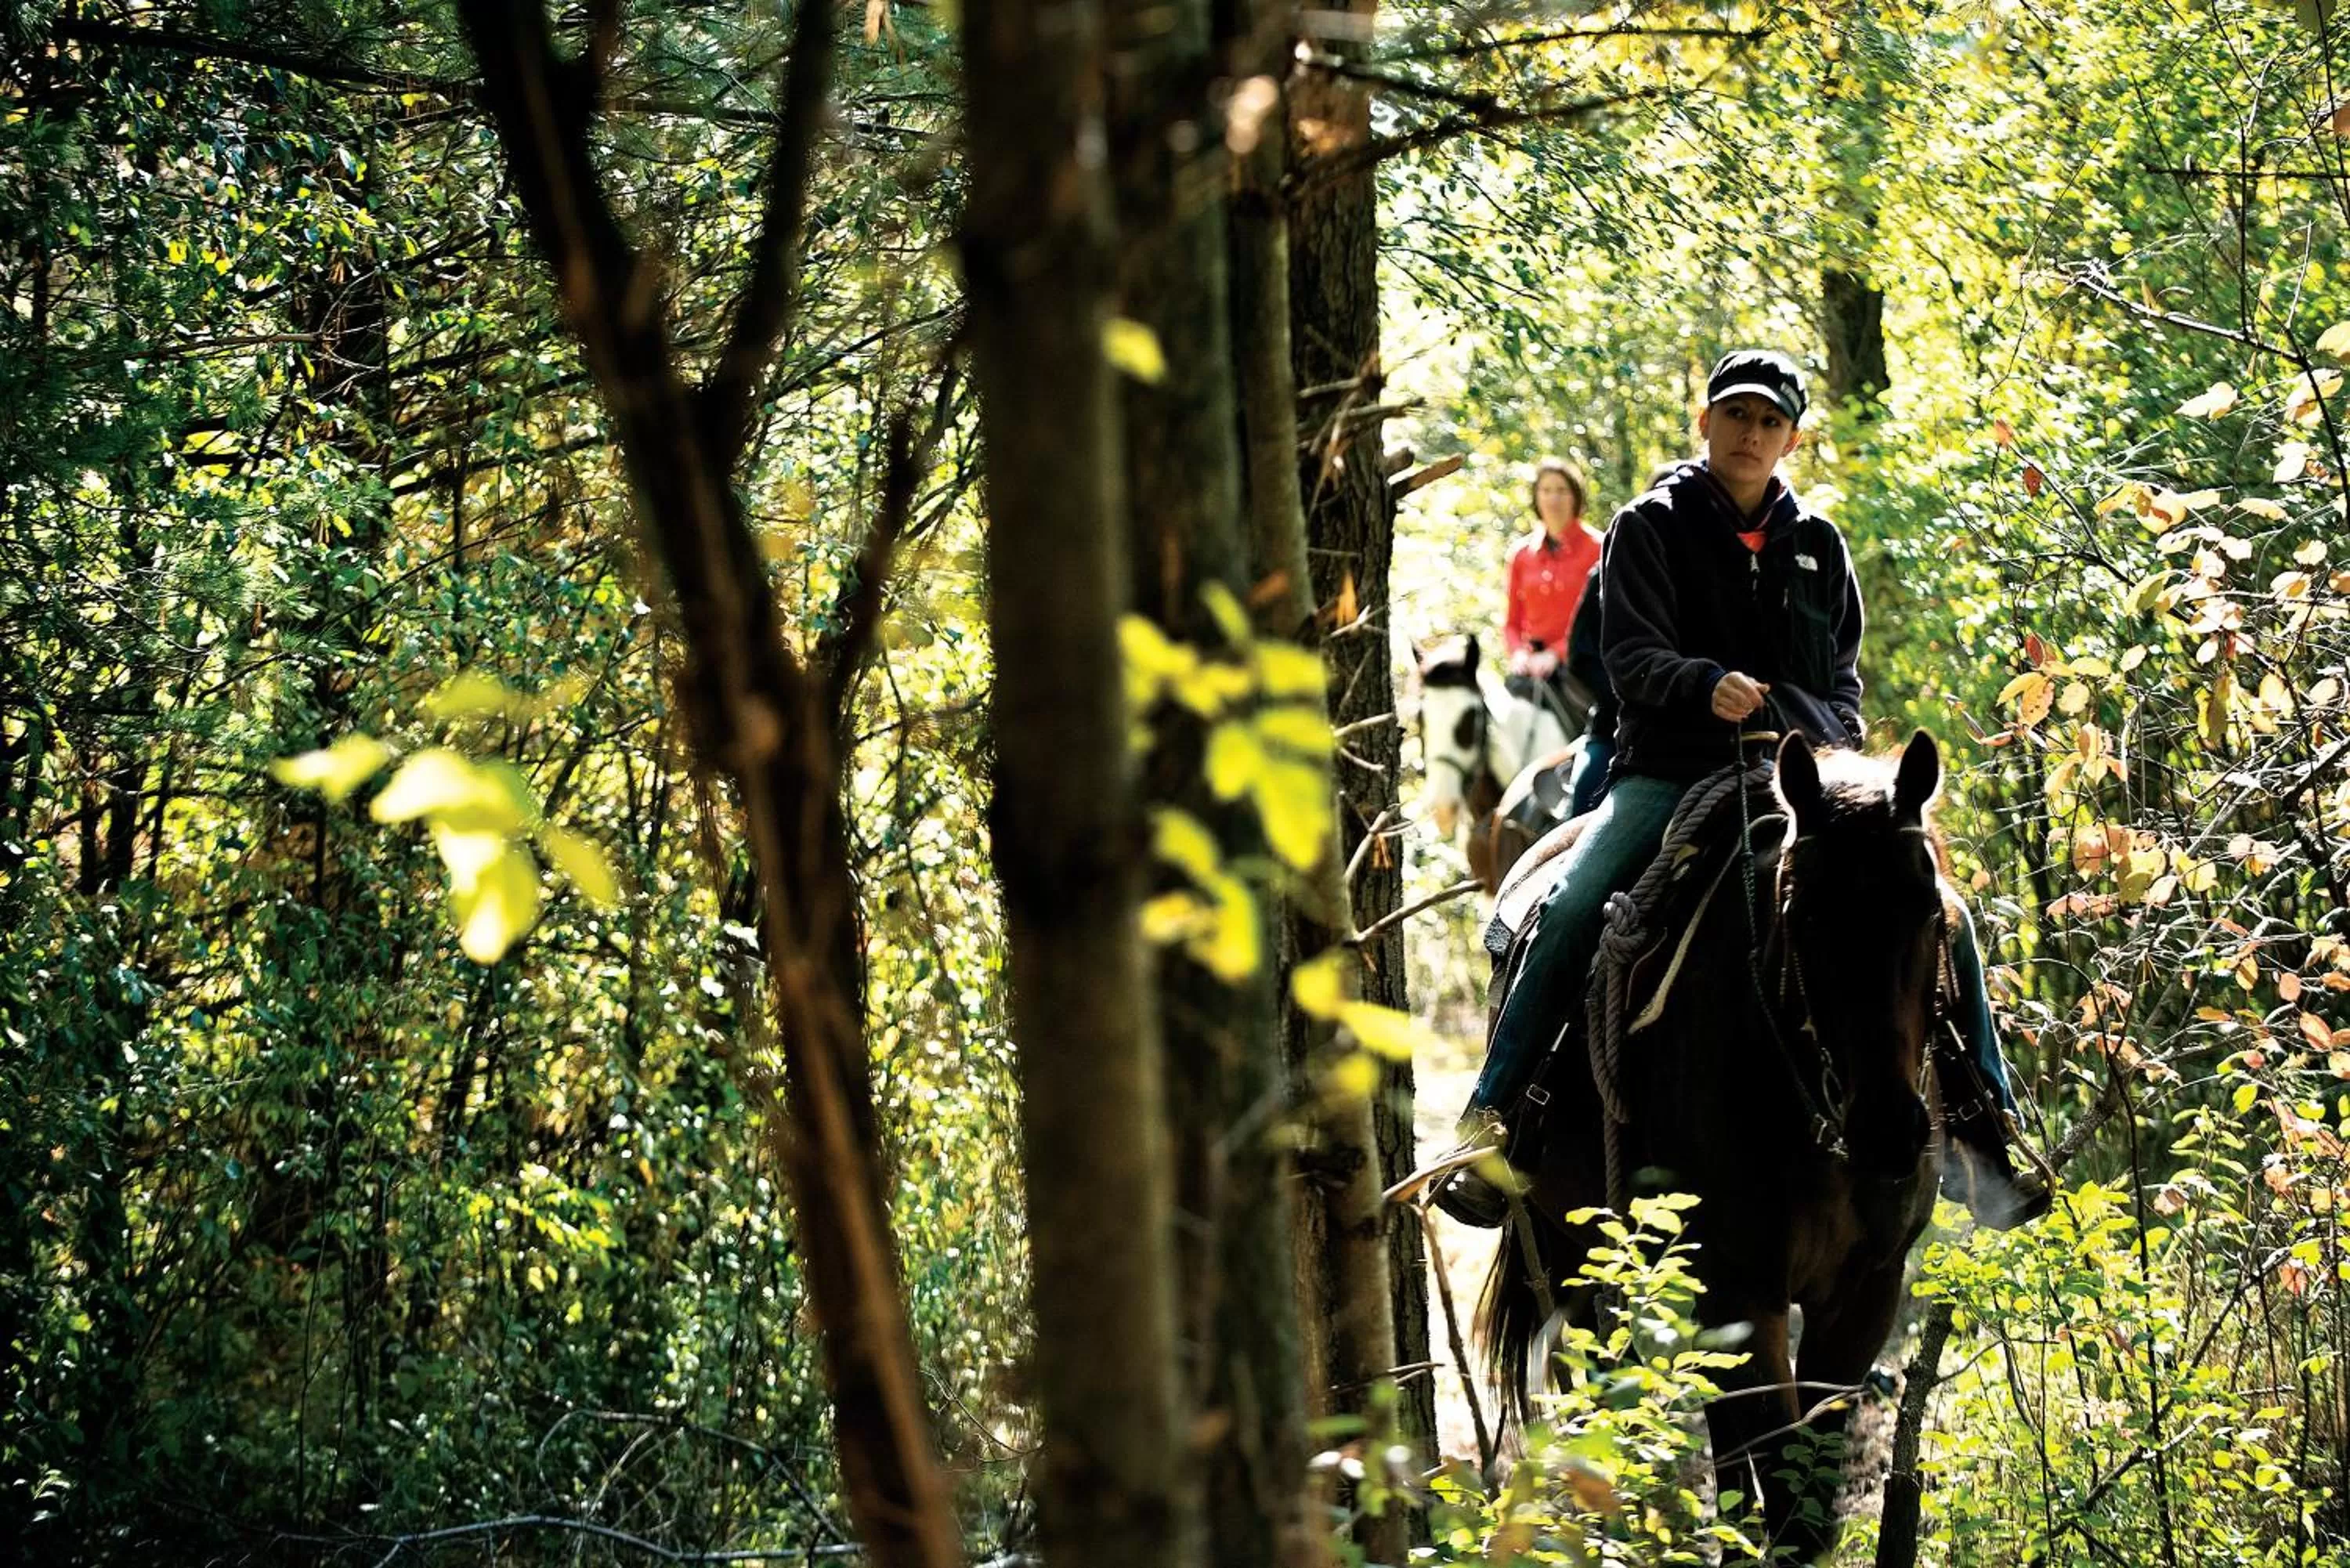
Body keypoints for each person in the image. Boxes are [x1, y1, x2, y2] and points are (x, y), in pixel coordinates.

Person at [1436, 349, 2041, 1228]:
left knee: (1942, 908)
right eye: (1736, 416)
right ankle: (1494, 1119)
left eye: (1769, 422)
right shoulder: (1648, 527)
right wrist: (1701, 683)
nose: (1750, 434)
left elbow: (1842, 687)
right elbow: (1628, 656)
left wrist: (1816, 740)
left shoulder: (1820, 546)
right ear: (1706, 423)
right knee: (1567, 908)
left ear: (1791, 437)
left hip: (1802, 778)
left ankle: (1986, 1124)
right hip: (1670, 769)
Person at [1502, 458, 1603, 729]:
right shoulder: (1521, 555)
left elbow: (1604, 620)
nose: (1553, 499)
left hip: (1582, 665)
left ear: (1576, 496)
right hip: (1530, 667)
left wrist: (1556, 654)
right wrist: (1519, 654)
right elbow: (1511, 623)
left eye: (1561, 490)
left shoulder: (1600, 549)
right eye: (1546, 491)